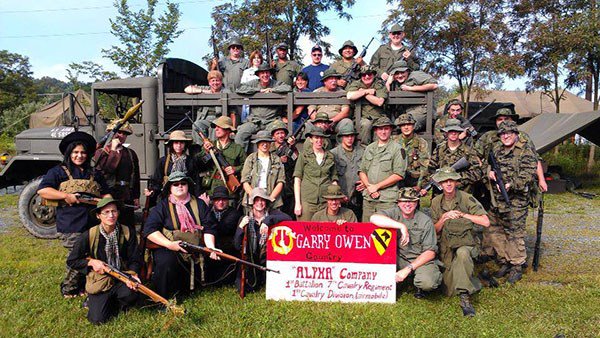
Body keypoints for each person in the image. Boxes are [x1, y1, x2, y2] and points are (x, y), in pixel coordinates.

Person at [38, 131, 109, 298]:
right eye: (76, 152)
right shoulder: (58, 172)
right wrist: (66, 196)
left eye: (83, 152)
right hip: (71, 223)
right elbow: (43, 190)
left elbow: (106, 193)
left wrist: (106, 203)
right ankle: (68, 288)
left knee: (92, 254)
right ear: (69, 153)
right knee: (77, 257)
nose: (79, 156)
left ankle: (85, 285)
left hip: (92, 223)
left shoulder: (94, 174)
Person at [67, 197, 142, 324]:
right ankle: (96, 300)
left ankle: (115, 301)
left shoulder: (128, 232)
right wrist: (91, 262)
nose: (111, 215)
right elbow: (72, 260)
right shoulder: (89, 235)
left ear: (118, 213)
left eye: (114, 211)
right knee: (98, 319)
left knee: (132, 294)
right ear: (98, 216)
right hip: (100, 280)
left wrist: (133, 274)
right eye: (106, 212)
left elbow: (135, 258)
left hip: (122, 276)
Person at [143, 171, 217, 298]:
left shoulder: (200, 204)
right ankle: (163, 297)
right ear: (170, 188)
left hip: (196, 247)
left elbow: (209, 227)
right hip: (170, 247)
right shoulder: (162, 206)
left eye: (183, 183)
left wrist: (211, 247)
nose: (180, 186)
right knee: (166, 262)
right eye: (175, 184)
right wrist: (170, 244)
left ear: (188, 185)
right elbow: (149, 230)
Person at [430, 167, 490, 317]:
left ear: (456, 182)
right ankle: (479, 279)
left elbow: (485, 221)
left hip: (466, 243)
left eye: (451, 180)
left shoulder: (466, 198)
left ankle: (465, 298)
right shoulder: (436, 202)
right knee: (449, 290)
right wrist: (444, 217)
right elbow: (434, 230)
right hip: (446, 246)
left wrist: (463, 214)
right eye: (445, 181)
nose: (448, 184)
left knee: (463, 254)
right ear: (440, 184)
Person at [485, 121, 537, 284]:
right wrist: (490, 172)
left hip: (516, 199)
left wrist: (511, 185)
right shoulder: (497, 150)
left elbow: (528, 174)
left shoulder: (525, 151)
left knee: (514, 232)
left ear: (515, 134)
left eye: (508, 133)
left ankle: (516, 265)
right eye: (502, 134)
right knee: (496, 230)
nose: (505, 136)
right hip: (498, 199)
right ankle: (504, 261)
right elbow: (488, 165)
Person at [370, 188, 441, 299]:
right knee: (375, 273)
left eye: (411, 201)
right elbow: (374, 218)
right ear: (398, 203)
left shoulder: (425, 221)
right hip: (398, 258)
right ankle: (402, 280)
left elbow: (430, 253)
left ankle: (417, 283)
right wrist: (401, 226)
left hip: (419, 260)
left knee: (428, 282)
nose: (407, 204)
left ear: (416, 202)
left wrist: (408, 269)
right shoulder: (393, 213)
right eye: (404, 201)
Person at [475, 108, 548, 194]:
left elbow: (535, 158)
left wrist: (541, 179)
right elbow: (475, 155)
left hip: (517, 182)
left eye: (506, 119)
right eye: (500, 119)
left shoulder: (522, 136)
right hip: (492, 184)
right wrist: (486, 170)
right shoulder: (488, 137)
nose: (503, 122)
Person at [234, 188, 291, 292]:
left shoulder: (272, 214)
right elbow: (237, 245)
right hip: (251, 262)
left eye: (262, 200)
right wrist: (240, 227)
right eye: (256, 200)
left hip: (269, 260)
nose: (259, 203)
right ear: (252, 203)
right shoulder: (244, 218)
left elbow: (288, 218)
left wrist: (267, 221)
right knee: (247, 286)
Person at [359, 117, 407, 222]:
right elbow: (362, 171)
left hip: (387, 200)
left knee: (386, 233)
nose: (383, 132)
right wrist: (369, 187)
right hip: (369, 198)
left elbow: (398, 174)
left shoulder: (398, 149)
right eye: (380, 129)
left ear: (390, 130)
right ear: (376, 131)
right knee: (367, 230)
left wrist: (377, 187)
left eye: (386, 129)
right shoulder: (369, 148)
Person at [94, 119, 140, 227]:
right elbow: (107, 170)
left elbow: (135, 175)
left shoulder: (130, 153)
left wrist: (136, 196)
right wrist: (113, 150)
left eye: (125, 134)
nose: (121, 136)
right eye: (119, 132)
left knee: (128, 226)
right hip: (109, 194)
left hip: (126, 195)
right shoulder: (101, 152)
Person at [235, 63, 292, 151]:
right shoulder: (253, 83)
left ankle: (274, 159)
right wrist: (258, 91)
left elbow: (287, 87)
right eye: (262, 73)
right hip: (255, 121)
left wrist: (272, 90)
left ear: (270, 74)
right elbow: (239, 89)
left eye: (267, 73)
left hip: (271, 121)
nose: (265, 75)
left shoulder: (275, 83)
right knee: (241, 134)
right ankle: (241, 160)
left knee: (277, 135)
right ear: (258, 74)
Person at [293, 129, 338, 221]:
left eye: (321, 138)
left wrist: (335, 198)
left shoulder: (330, 156)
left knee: (325, 231)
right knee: (304, 230)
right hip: (307, 200)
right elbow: (297, 179)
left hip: (325, 200)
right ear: (311, 139)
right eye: (316, 138)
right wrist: (297, 203)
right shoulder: (303, 155)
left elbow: (334, 179)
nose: (319, 140)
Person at [429, 119, 482, 194]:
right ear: (446, 133)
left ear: (460, 132)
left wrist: (456, 178)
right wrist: (438, 178)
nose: (453, 133)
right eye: (451, 131)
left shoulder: (468, 151)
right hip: (441, 193)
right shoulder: (439, 149)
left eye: (456, 131)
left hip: (462, 193)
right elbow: (431, 169)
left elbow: (477, 173)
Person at [146, 130, 200, 203]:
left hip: (187, 196)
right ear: (172, 145)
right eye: (176, 143)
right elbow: (157, 180)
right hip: (167, 197)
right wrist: (152, 191)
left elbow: (196, 180)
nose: (179, 145)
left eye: (181, 143)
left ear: (185, 145)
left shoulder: (191, 161)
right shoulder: (163, 161)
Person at [204, 186, 242, 285]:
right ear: (213, 201)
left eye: (224, 199)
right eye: (217, 200)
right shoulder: (209, 212)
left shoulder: (234, 213)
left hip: (228, 250)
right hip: (211, 248)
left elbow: (223, 228)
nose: (220, 202)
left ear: (228, 201)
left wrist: (207, 223)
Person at [386, 60, 438, 131]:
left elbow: (434, 85)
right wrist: (388, 84)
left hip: (423, 110)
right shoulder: (394, 83)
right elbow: (386, 96)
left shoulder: (416, 75)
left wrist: (411, 88)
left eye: (402, 72)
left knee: (404, 125)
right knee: (394, 126)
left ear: (407, 71)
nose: (400, 75)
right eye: (396, 73)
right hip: (407, 112)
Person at [200, 116, 246, 196]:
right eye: (216, 127)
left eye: (219, 127)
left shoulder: (237, 148)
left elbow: (246, 166)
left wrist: (235, 169)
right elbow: (198, 164)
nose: (216, 129)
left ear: (228, 130)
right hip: (212, 188)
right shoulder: (210, 145)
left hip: (228, 187)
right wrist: (206, 151)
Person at [240, 130, 286, 210]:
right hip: (252, 199)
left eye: (267, 142)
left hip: (272, 200)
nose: (265, 144)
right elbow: (245, 181)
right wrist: (254, 197)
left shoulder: (276, 160)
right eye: (262, 142)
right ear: (257, 144)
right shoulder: (251, 159)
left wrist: (270, 198)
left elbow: (280, 181)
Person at [330, 121, 365, 220]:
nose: (349, 139)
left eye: (351, 136)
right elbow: (330, 176)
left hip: (358, 197)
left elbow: (369, 170)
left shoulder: (362, 152)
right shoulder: (333, 154)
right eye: (346, 136)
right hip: (341, 197)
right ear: (341, 137)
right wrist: (338, 195)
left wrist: (365, 182)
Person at [185, 70, 237, 136]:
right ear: (209, 82)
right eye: (213, 81)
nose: (215, 83)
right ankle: (202, 145)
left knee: (214, 128)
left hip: (219, 119)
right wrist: (203, 91)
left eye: (217, 80)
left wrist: (232, 129)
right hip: (205, 118)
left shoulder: (226, 91)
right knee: (196, 125)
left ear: (221, 82)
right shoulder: (206, 88)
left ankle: (215, 145)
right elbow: (187, 89)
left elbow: (233, 113)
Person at [346, 66, 389, 144]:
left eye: (369, 74)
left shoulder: (379, 84)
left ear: (373, 75)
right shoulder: (356, 83)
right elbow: (350, 96)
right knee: (366, 124)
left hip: (378, 117)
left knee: (381, 126)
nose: (367, 76)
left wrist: (364, 94)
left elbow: (379, 102)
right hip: (362, 117)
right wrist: (366, 91)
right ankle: (364, 149)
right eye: (363, 75)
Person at [394, 114, 430, 195]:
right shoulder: (394, 141)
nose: (406, 127)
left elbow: (425, 166)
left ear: (413, 126)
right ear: (400, 127)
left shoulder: (421, 142)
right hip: (397, 179)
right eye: (403, 125)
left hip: (414, 181)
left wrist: (419, 186)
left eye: (409, 124)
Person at [268, 119, 297, 217]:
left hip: (287, 184)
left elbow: (296, 160)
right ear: (273, 136)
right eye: (278, 133)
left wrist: (292, 147)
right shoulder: (269, 148)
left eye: (282, 133)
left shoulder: (288, 146)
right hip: (272, 182)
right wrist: (278, 160)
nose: (281, 135)